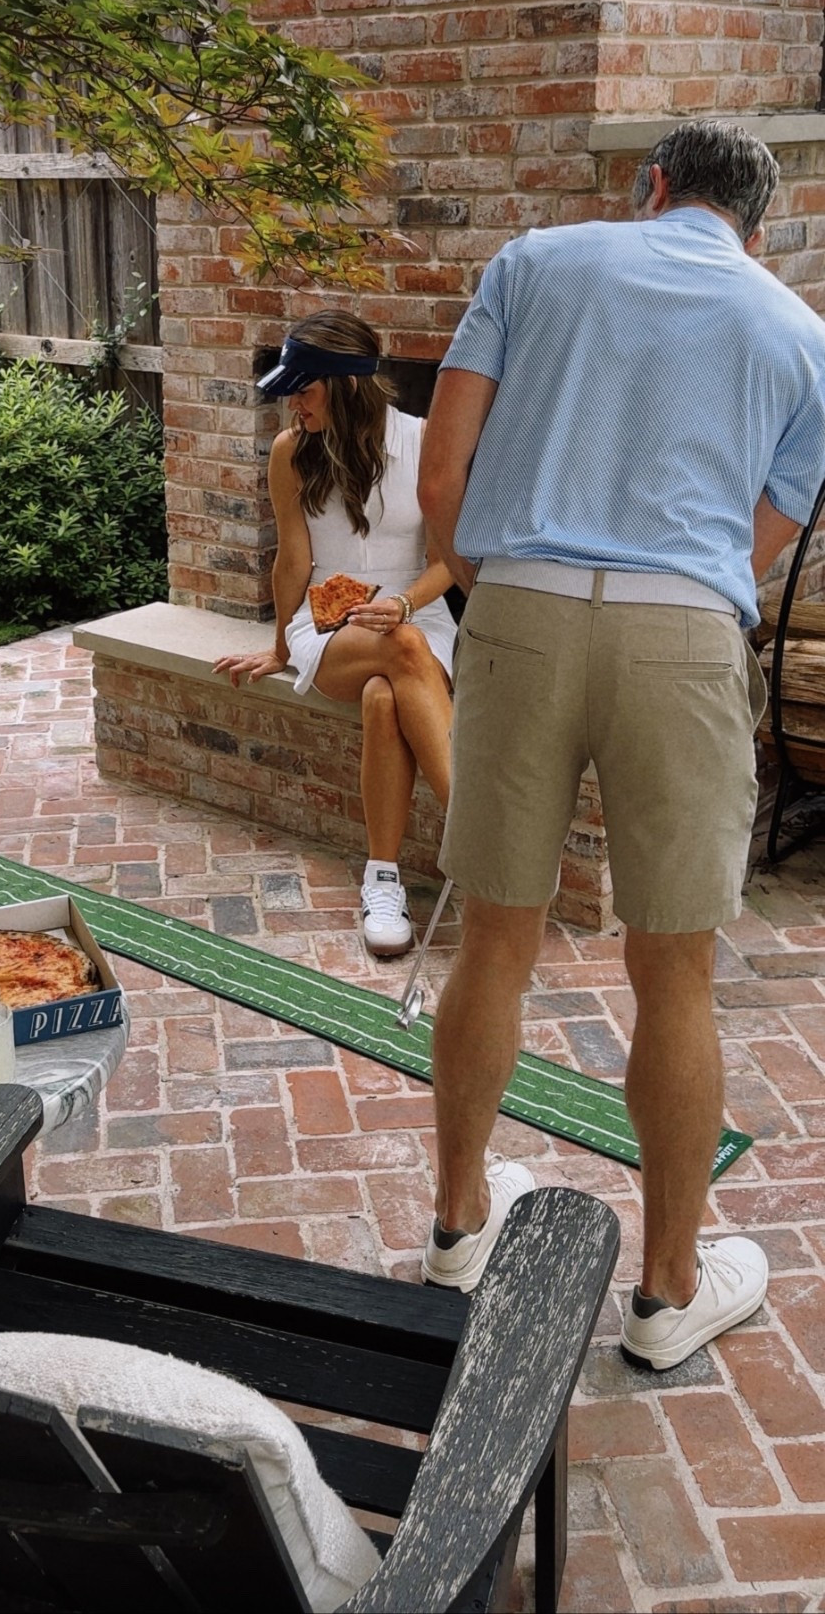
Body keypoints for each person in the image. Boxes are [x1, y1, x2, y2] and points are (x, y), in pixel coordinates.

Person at [416, 119, 825, 1369]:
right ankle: (664, 1290)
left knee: (497, 928)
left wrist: (503, 591)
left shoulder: (534, 261)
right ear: (756, 224)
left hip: (524, 607)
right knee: (677, 969)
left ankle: (457, 1223)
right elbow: (764, 534)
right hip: (686, 634)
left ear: (651, 187)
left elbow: (442, 478)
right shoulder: (803, 334)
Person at [214, 310, 457, 957]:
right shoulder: (292, 452)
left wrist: (403, 604)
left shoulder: (427, 442)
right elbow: (293, 558)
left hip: (416, 614)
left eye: (306, 387)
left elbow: (448, 562)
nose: (293, 401)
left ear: (349, 385)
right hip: (326, 626)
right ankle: (475, 833)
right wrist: (277, 649)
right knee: (400, 654)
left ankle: (383, 882)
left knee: (386, 694)